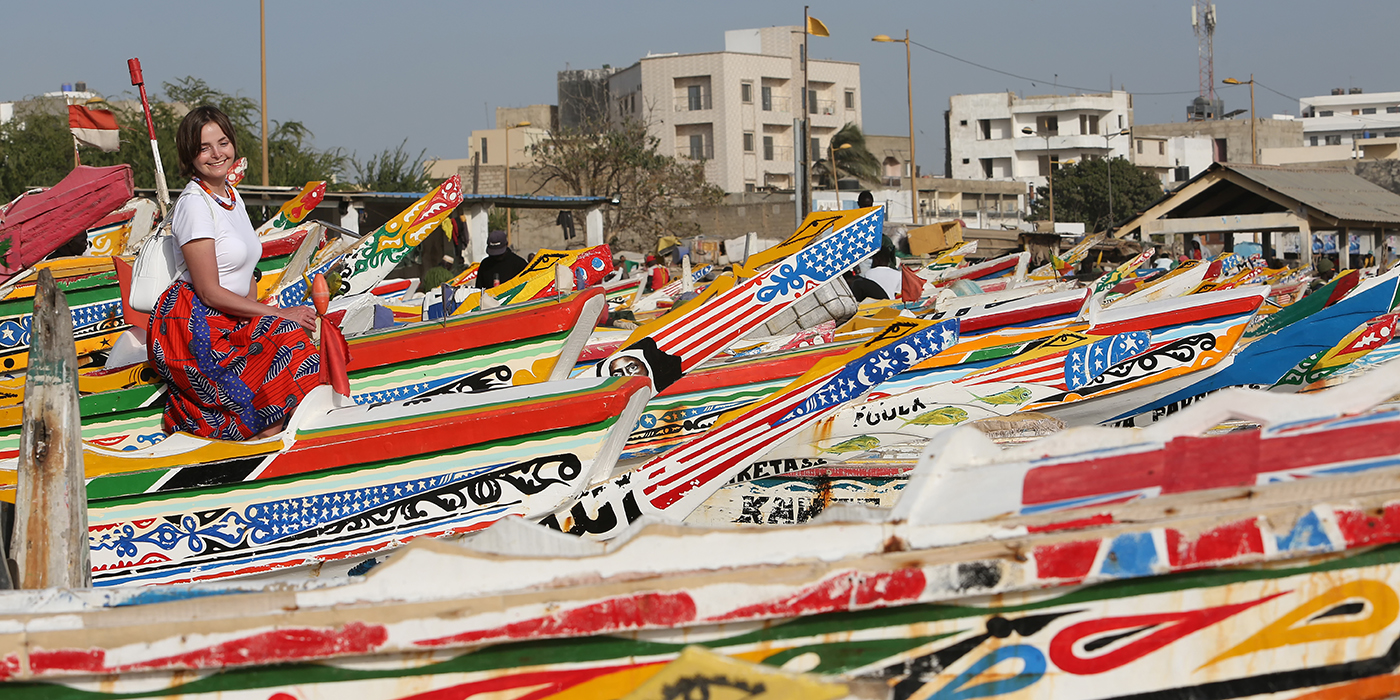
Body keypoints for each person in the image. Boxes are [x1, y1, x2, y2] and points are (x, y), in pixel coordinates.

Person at [148, 106, 321, 441]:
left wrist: (261, 318)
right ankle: (263, 441)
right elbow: (209, 291)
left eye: (223, 143)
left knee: (294, 333)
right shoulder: (195, 204)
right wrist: (277, 314)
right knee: (286, 334)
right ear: (190, 155)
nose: (217, 154)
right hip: (197, 326)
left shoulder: (230, 195)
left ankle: (275, 435)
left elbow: (245, 275)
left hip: (230, 317)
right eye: (204, 148)